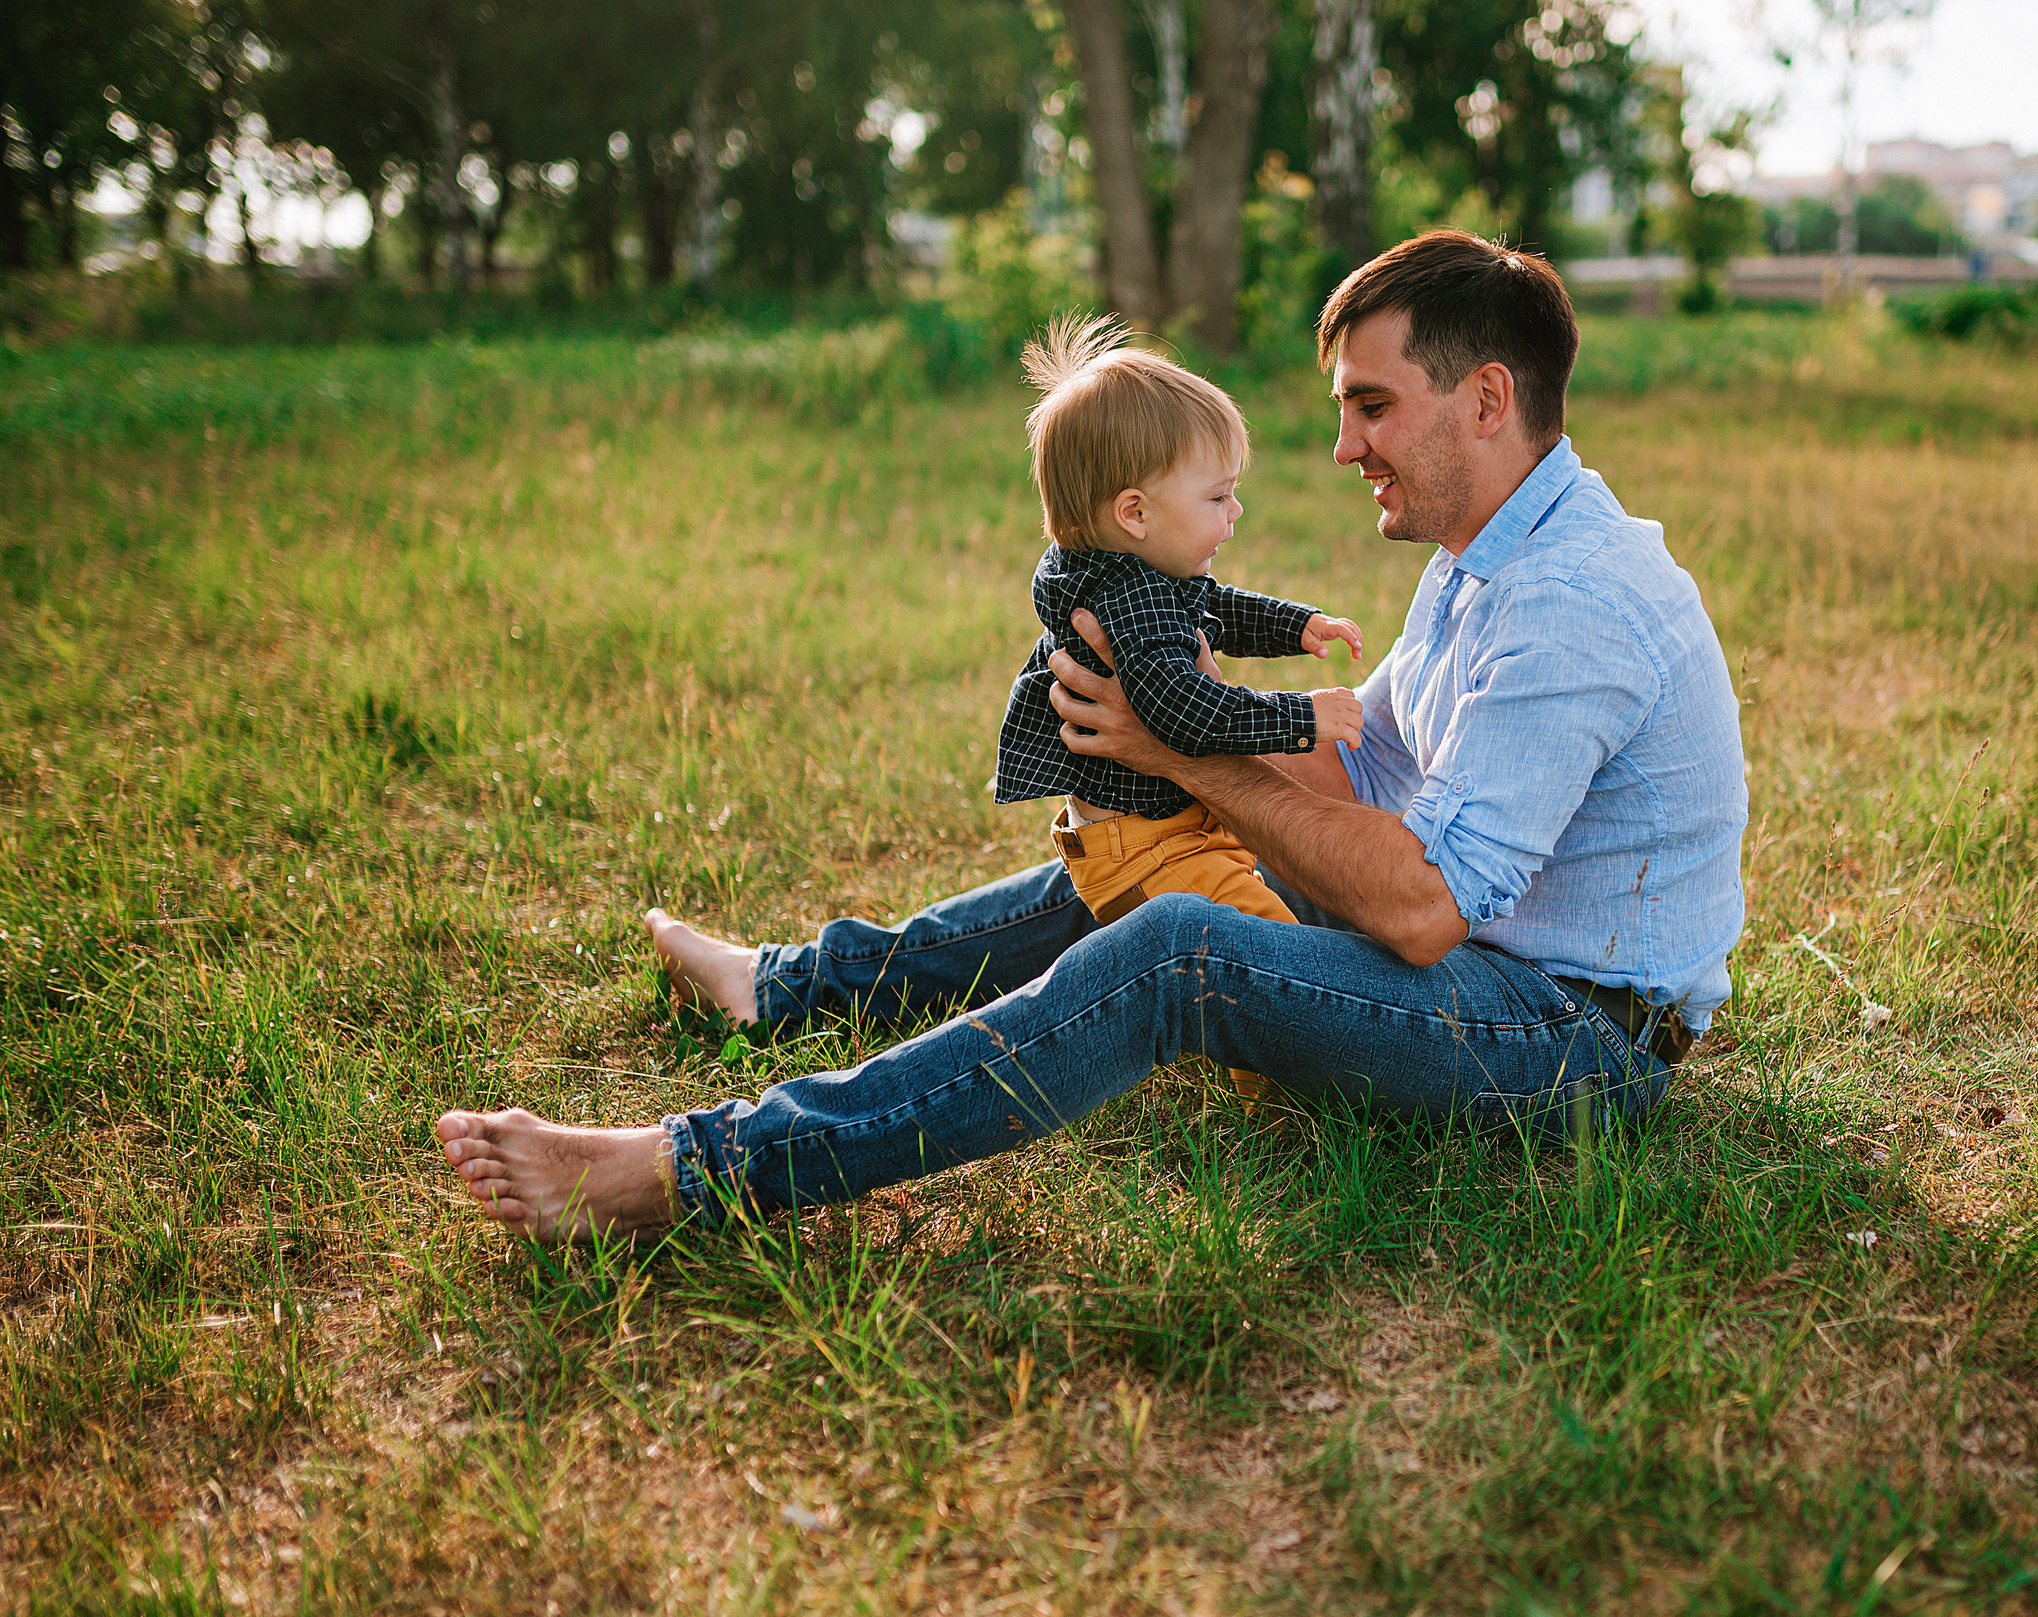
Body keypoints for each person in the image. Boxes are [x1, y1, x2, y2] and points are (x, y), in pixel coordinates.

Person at [435, 230, 1751, 1243]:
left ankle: (685, 1168)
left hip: (1568, 1039)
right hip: (1495, 961)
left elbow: (1416, 913)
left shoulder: (1572, 602)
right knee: (1161, 847)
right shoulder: (1486, 560)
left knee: (1179, 944)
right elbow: (1358, 787)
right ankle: (788, 984)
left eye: (1372, 405)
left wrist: (1183, 747)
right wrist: (1163, 695)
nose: (1343, 444)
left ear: (1485, 400)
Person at [993, 314, 1365, 1102]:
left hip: (1150, 833)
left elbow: (1214, 604)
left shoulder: (1113, 568)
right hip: (1153, 845)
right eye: (1219, 496)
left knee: (1255, 929)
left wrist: (1299, 625)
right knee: (1269, 952)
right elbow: (1188, 715)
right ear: (1135, 512)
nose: (1236, 514)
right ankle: (1282, 1105)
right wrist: (1304, 715)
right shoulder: (1132, 601)